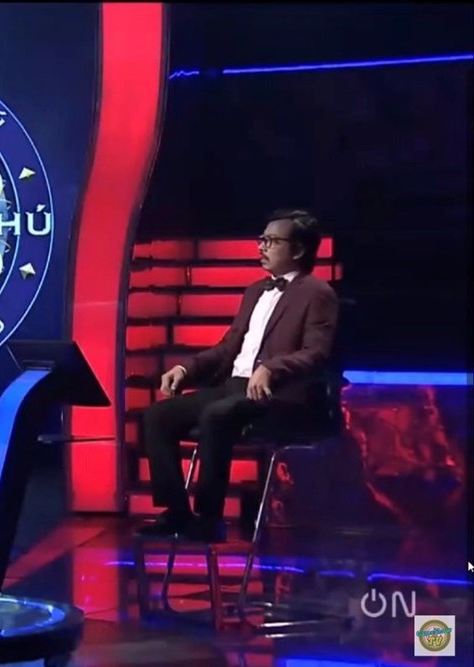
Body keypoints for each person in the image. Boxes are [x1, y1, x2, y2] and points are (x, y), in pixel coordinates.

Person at [139, 209, 339, 542]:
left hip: (276, 395)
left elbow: (316, 353)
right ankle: (176, 512)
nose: (261, 247)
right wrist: (185, 369)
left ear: (299, 250)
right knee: (158, 415)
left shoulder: (317, 293)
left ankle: (209, 518)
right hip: (232, 386)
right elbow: (227, 348)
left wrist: (272, 369)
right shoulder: (255, 291)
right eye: (262, 240)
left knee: (218, 414)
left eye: (271, 241)